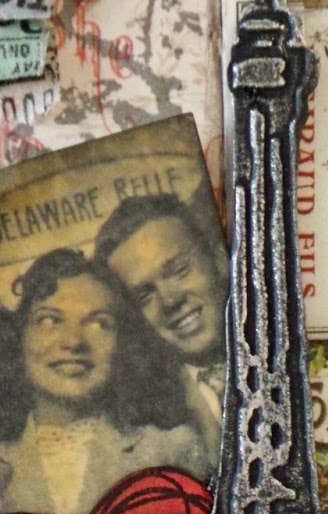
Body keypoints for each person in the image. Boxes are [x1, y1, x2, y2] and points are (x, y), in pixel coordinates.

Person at [0, 248, 205, 514]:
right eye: (50, 320)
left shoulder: (172, 449)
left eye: (99, 324)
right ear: (18, 338)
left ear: (124, 345)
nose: (73, 342)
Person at [94, 194, 228, 473]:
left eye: (179, 271)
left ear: (218, 260)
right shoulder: (146, 426)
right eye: (144, 296)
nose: (169, 300)